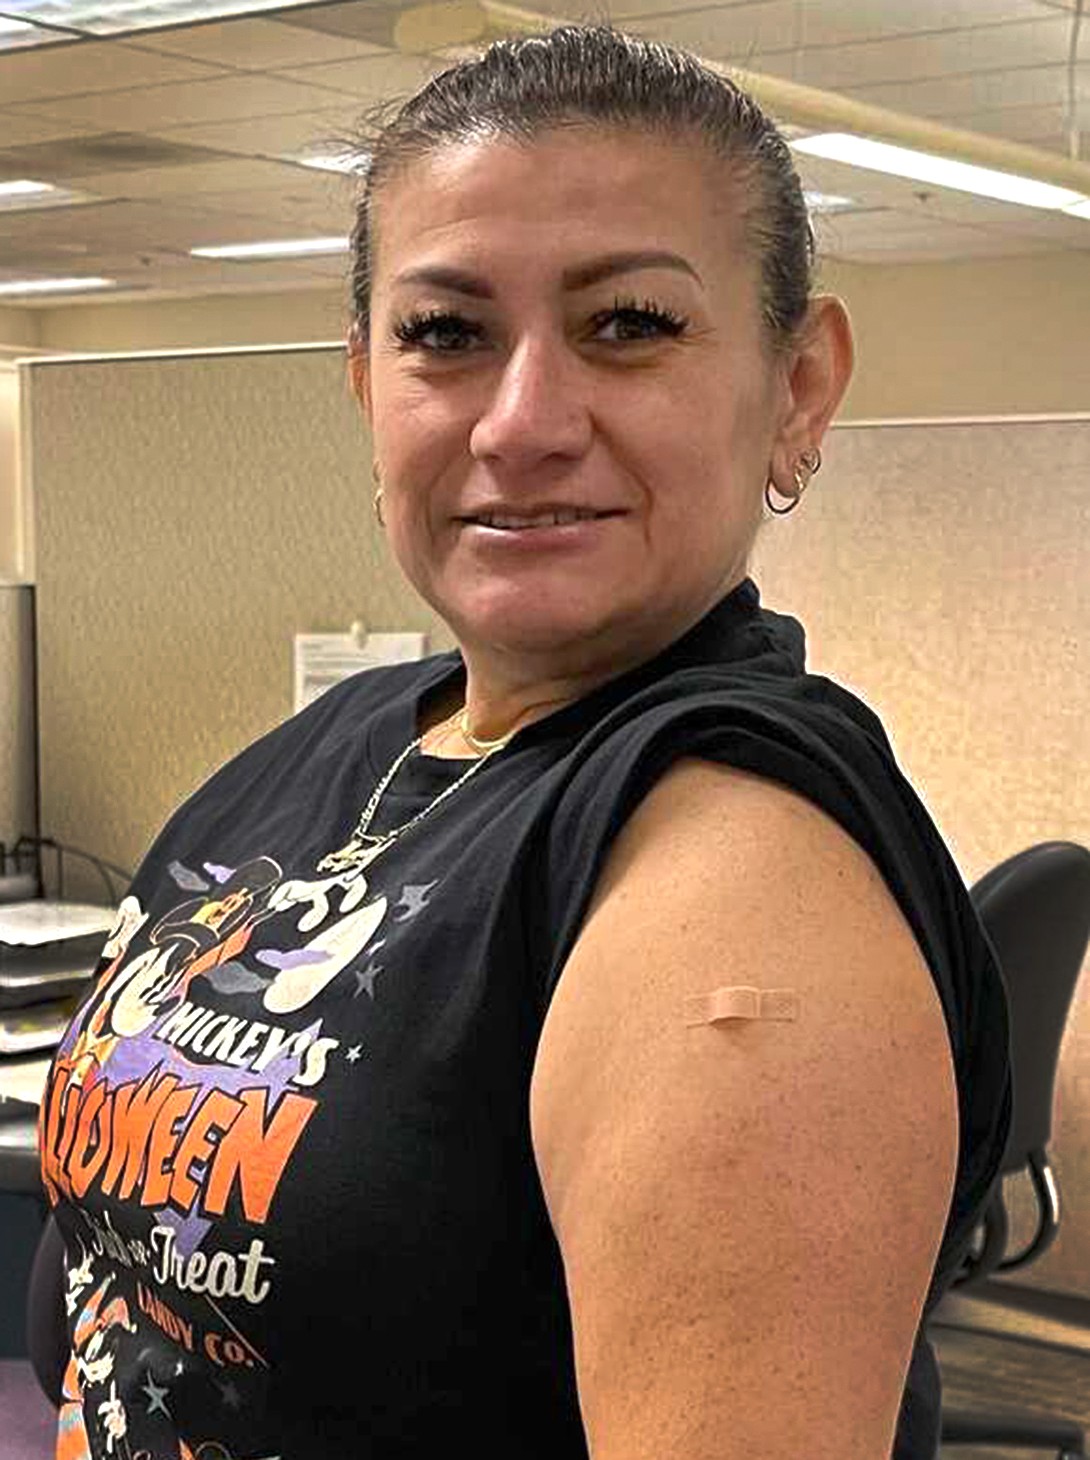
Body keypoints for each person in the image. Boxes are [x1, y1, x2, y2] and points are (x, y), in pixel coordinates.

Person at [38, 23, 1012, 1460]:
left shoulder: (733, 872)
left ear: (795, 387)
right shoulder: (349, 741)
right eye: (444, 335)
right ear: (368, 384)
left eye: (627, 325)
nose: (524, 419)